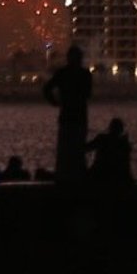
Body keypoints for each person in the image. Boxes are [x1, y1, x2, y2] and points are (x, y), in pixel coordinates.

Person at [41, 45, 92, 182]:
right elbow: (88, 94)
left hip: (67, 117)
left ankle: (64, 177)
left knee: (65, 151)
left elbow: (46, 89)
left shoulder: (63, 73)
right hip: (79, 117)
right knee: (78, 150)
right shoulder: (85, 74)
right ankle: (78, 177)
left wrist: (55, 102)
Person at [87, 117, 132, 188]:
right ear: (121, 130)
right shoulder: (123, 143)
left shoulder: (102, 138)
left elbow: (87, 148)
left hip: (99, 173)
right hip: (114, 176)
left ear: (110, 128)